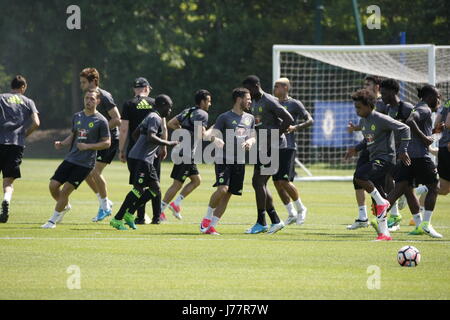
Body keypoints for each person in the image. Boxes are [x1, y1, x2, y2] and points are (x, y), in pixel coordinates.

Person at [345, 89, 411, 241]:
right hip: (375, 159)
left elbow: (404, 128)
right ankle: (384, 234)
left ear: (369, 105)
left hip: (386, 159)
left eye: (359, 107)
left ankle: (383, 202)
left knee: (359, 176)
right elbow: (368, 140)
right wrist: (355, 149)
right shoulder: (363, 121)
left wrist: (403, 149)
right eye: (355, 107)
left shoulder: (381, 118)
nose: (357, 110)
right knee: (378, 198)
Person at [42, 89, 111, 228]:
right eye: (87, 98)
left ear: (97, 101)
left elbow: (107, 143)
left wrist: (87, 146)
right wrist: (62, 143)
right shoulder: (77, 116)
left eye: (92, 99)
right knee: (53, 186)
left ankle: (52, 221)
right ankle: (64, 206)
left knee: (66, 189)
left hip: (85, 164)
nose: (89, 101)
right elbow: (73, 135)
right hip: (70, 158)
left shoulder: (101, 121)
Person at [110, 95, 178, 230]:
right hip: (141, 159)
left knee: (154, 189)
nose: (170, 111)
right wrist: (168, 143)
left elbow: (135, 133)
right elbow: (151, 136)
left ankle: (129, 214)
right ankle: (118, 218)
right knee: (139, 189)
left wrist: (142, 147)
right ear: (163, 105)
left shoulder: (150, 116)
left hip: (141, 157)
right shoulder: (155, 118)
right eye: (169, 108)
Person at [385, 85, 442, 238]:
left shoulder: (418, 107)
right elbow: (410, 121)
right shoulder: (425, 109)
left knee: (402, 190)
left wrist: (431, 132)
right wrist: (425, 138)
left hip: (408, 155)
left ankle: (380, 218)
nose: (439, 100)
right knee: (434, 187)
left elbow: (414, 125)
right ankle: (426, 224)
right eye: (438, 97)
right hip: (419, 156)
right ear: (430, 97)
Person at [242, 75, 294, 234]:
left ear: (256, 86)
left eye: (249, 89)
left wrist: (275, 135)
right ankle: (274, 220)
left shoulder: (269, 100)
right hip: (264, 146)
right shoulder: (255, 103)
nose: (247, 93)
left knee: (258, 182)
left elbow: (288, 119)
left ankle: (262, 221)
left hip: (275, 147)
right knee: (258, 183)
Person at [199, 88, 255, 235]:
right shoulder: (224, 117)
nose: (250, 101)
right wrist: (215, 139)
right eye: (247, 99)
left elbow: (252, 135)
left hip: (240, 161)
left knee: (229, 194)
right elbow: (211, 134)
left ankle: (212, 226)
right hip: (223, 159)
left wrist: (250, 141)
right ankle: (207, 217)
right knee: (222, 189)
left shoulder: (250, 118)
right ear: (239, 99)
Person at [118, 77, 168, 225]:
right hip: (153, 150)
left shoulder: (128, 104)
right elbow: (164, 127)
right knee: (155, 183)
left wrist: (121, 149)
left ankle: (140, 217)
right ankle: (156, 217)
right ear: (147, 88)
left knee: (138, 185)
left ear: (135, 89)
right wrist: (163, 146)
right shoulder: (156, 103)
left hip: (135, 151)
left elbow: (124, 129)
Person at [160, 90, 211, 221]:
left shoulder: (189, 110)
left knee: (196, 180)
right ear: (202, 101)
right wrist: (213, 130)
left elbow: (171, 123)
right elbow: (201, 135)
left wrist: (184, 132)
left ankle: (176, 203)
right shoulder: (202, 114)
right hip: (186, 153)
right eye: (208, 101)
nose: (210, 104)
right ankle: (159, 210)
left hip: (183, 151)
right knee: (177, 184)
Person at [347, 75, 389, 230]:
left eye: (368, 84)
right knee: (358, 178)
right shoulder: (364, 104)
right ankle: (363, 217)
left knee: (387, 183)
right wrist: (356, 129)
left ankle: (392, 216)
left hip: (382, 151)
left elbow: (388, 125)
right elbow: (367, 126)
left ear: (377, 86)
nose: (365, 87)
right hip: (368, 145)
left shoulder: (383, 104)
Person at [79, 68, 121, 222]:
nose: (81, 85)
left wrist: (98, 131)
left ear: (93, 81)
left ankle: (104, 206)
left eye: (84, 82)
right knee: (85, 172)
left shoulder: (104, 96)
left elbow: (117, 119)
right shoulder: (89, 97)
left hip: (108, 139)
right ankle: (105, 201)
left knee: (95, 171)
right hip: (96, 139)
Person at [272, 77, 313, 226]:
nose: (274, 89)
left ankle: (301, 208)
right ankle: (291, 213)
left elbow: (310, 120)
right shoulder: (273, 103)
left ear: (285, 88)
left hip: (288, 147)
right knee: (276, 182)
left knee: (285, 181)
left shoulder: (294, 104)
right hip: (274, 146)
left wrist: (296, 127)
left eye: (277, 86)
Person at [0, 75, 40, 223]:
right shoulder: (28, 101)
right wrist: (25, 134)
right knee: (8, 182)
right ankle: (6, 200)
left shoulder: (1, 98)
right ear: (23, 87)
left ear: (11, 86)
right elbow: (36, 122)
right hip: (16, 143)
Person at [377, 78, 414, 231]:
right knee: (389, 179)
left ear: (393, 92)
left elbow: (413, 129)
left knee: (408, 186)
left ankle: (417, 220)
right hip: (393, 152)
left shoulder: (406, 108)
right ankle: (396, 217)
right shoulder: (386, 109)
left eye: (384, 93)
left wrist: (405, 148)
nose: (382, 96)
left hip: (408, 151)